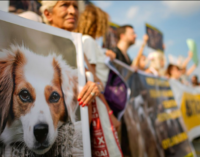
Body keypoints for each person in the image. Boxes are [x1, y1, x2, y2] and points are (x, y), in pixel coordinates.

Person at [40, 1, 100, 114]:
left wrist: (95, 88)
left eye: (76, 7)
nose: (73, 11)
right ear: (48, 14)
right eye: (65, 5)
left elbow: (97, 81)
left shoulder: (77, 45)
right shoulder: (39, 45)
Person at [75, 4, 121, 129]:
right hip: (98, 105)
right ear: (98, 22)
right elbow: (93, 81)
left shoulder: (89, 41)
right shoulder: (88, 41)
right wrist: (110, 114)